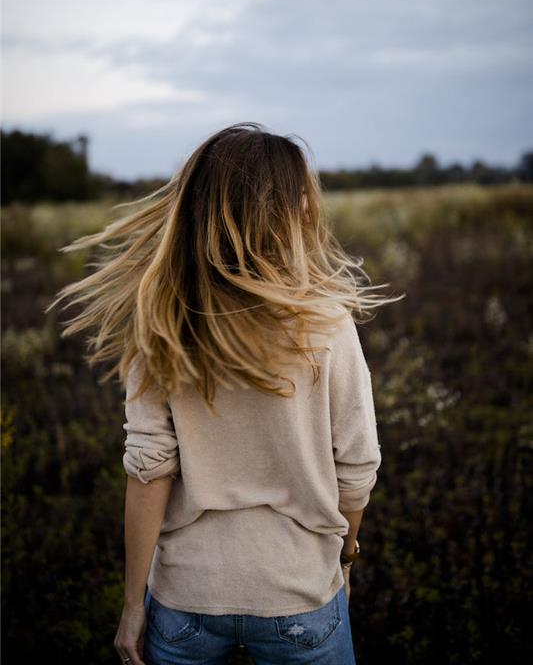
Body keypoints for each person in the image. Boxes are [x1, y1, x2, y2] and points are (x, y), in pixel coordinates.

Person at [48, 122, 404, 665]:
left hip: (186, 598)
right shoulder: (328, 323)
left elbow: (149, 470)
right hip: (299, 592)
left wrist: (131, 605)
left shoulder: (163, 319)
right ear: (294, 210)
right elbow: (357, 467)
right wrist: (346, 558)